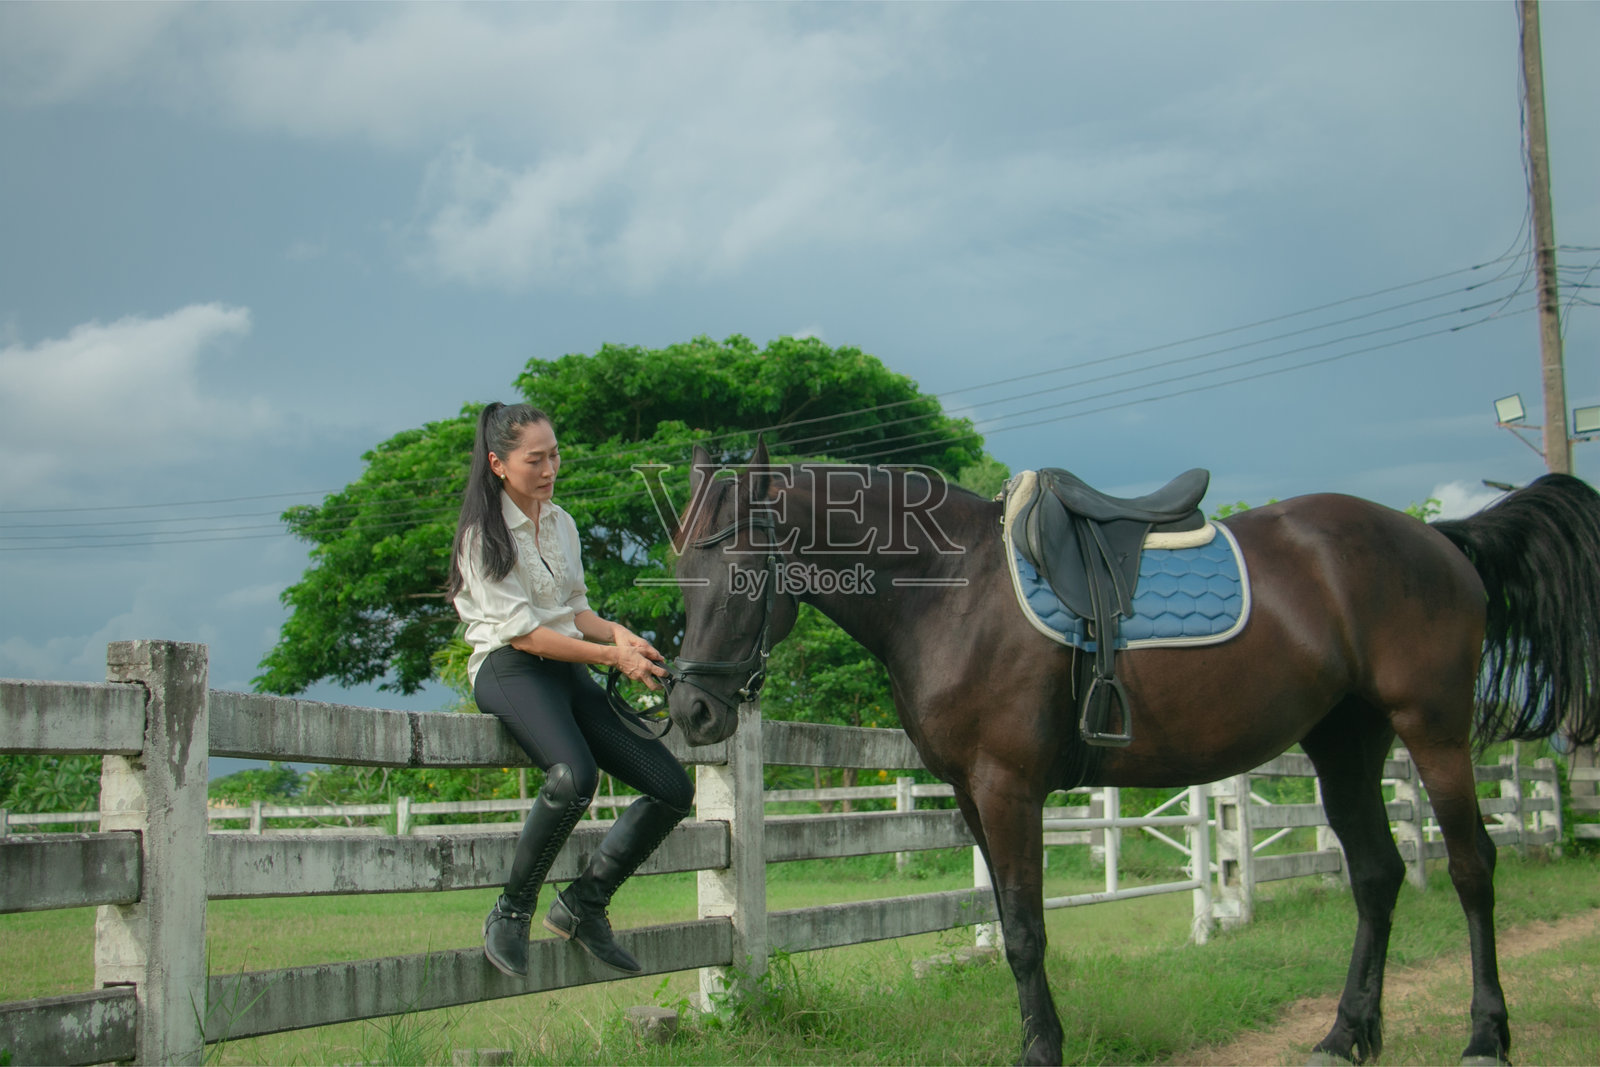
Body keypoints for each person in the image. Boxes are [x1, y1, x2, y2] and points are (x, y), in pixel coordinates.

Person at [448, 401, 693, 979]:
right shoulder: (483, 536)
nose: (551, 467)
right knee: (573, 776)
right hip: (509, 667)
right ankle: (511, 912)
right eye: (536, 458)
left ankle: (584, 904)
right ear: (499, 464)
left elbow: (573, 610)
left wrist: (620, 635)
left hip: (567, 666)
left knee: (671, 788)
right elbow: (529, 636)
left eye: (554, 454)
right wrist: (613, 656)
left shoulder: (560, 523)